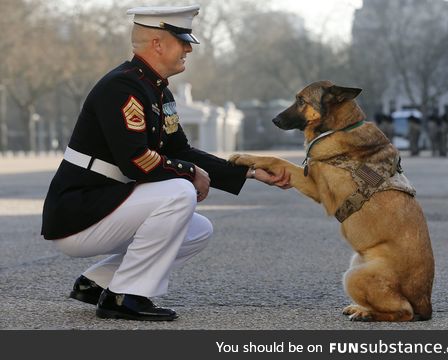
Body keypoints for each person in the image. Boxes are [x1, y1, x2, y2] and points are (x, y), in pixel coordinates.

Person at [41, 5, 289, 322]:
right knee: (178, 193)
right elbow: (135, 161)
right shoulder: (123, 87)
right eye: (182, 40)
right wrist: (190, 174)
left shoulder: (156, 89)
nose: (188, 47)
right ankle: (125, 296)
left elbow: (180, 149)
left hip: (106, 205)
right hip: (79, 212)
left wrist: (250, 171)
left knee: (198, 230)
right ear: (157, 44)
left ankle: (98, 283)